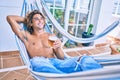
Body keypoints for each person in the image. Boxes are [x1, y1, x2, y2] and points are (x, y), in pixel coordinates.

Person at [7, 10, 102, 74]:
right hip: (40, 63)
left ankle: (99, 76)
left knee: (84, 59)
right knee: (35, 61)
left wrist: (59, 47)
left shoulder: (50, 36)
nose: (40, 20)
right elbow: (10, 18)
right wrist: (28, 19)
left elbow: (61, 58)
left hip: (57, 63)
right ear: (31, 23)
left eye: (41, 19)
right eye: (36, 19)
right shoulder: (27, 36)